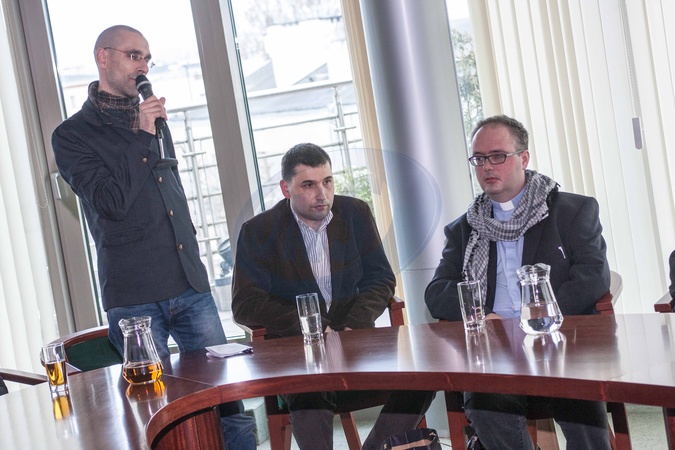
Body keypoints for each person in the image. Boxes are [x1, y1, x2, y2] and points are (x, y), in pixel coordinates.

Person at [51, 25, 256, 449]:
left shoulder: (153, 120)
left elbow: (167, 193)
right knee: (154, 409)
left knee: (228, 400)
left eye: (147, 58)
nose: (143, 66)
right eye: (133, 55)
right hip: (134, 297)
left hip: (189, 284)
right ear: (103, 58)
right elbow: (111, 202)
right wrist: (144, 134)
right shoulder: (72, 134)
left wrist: (149, 130)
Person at [425, 115, 612, 449]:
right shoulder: (464, 228)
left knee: (579, 399)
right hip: (494, 350)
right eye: (479, 159)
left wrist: (536, 317)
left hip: (558, 341)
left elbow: (592, 276)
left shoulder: (571, 211)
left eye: (498, 156)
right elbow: (437, 293)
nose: (487, 166)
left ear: (523, 158)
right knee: (484, 402)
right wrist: (481, 315)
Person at [232, 143, 435, 450]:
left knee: (423, 378)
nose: (322, 194)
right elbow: (246, 303)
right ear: (286, 189)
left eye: (327, 181)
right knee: (309, 397)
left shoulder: (355, 213)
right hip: (299, 353)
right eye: (309, 185)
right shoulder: (259, 231)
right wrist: (312, 327)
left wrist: (354, 326)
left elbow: (380, 279)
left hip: (356, 343)